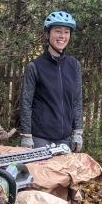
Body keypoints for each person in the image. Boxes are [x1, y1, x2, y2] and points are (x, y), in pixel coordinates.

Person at [18, 10, 84, 152]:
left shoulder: (74, 65)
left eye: (66, 32)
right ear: (47, 34)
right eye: (58, 31)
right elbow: (26, 103)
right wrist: (26, 136)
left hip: (65, 140)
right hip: (39, 139)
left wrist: (77, 132)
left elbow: (77, 101)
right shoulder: (34, 67)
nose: (62, 36)